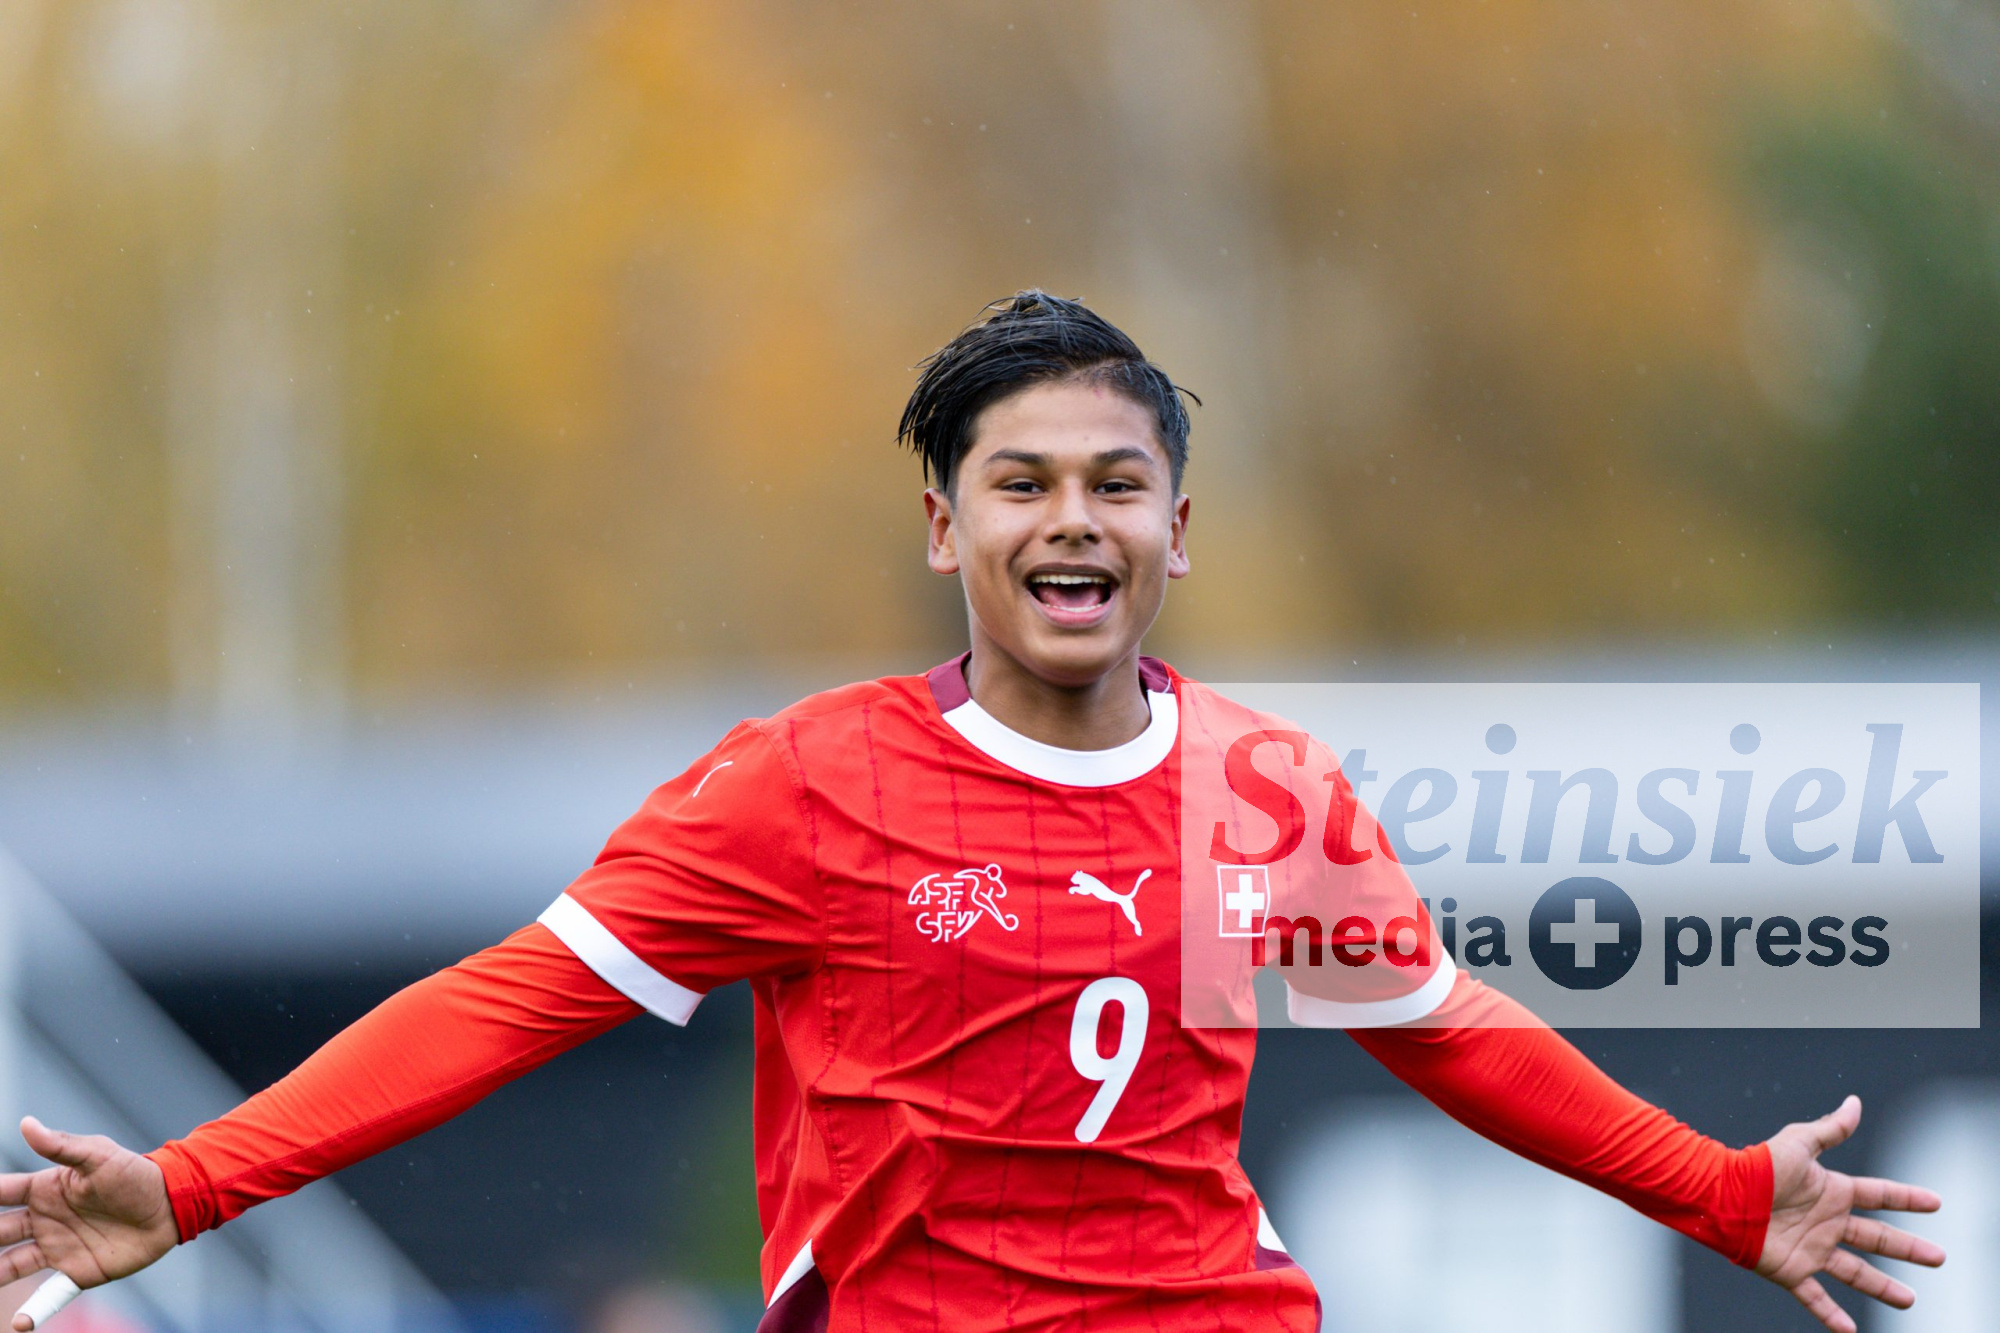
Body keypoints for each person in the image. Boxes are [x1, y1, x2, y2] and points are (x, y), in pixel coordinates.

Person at [0, 293, 1943, 1333]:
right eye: (1021, 484)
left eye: (1115, 482)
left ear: (1178, 527)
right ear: (945, 529)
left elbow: (1448, 1029)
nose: (1071, 520)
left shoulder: (1260, 791)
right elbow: (509, 1003)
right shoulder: (805, 784)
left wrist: (1716, 1187)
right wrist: (195, 1183)